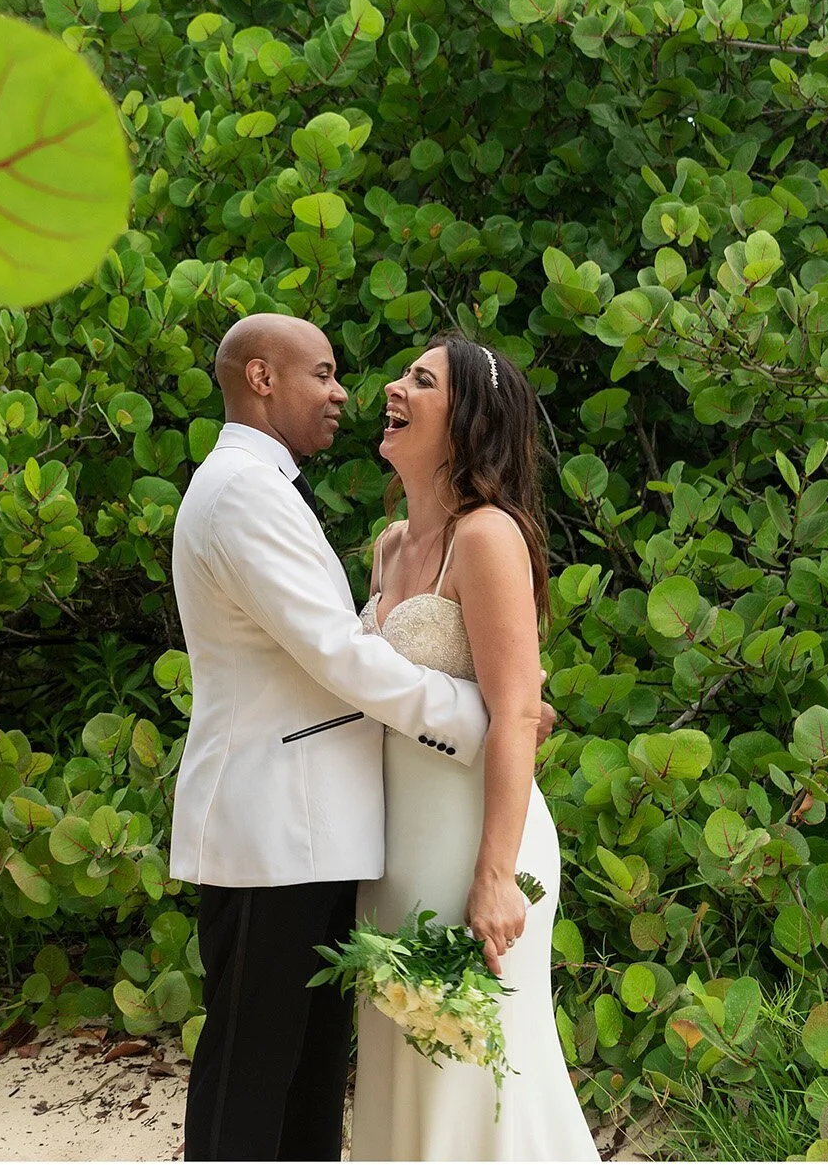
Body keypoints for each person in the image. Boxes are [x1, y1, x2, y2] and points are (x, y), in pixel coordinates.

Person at [170, 313, 547, 1161]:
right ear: (262, 378)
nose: (354, 390)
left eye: (420, 380)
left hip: (373, 831)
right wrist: (473, 713)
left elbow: (364, 661)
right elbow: (341, 654)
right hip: (282, 824)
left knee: (312, 1073)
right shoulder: (246, 492)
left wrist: (505, 716)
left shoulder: (469, 534)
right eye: (324, 373)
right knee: (258, 1069)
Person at [349, 335, 598, 1160]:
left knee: (484, 1077)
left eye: (422, 380)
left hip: (478, 843)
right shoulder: (389, 545)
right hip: (396, 851)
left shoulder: (487, 536)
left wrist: (494, 874)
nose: (394, 386)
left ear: (464, 424)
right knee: (405, 1071)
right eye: (404, 373)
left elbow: (518, 709)